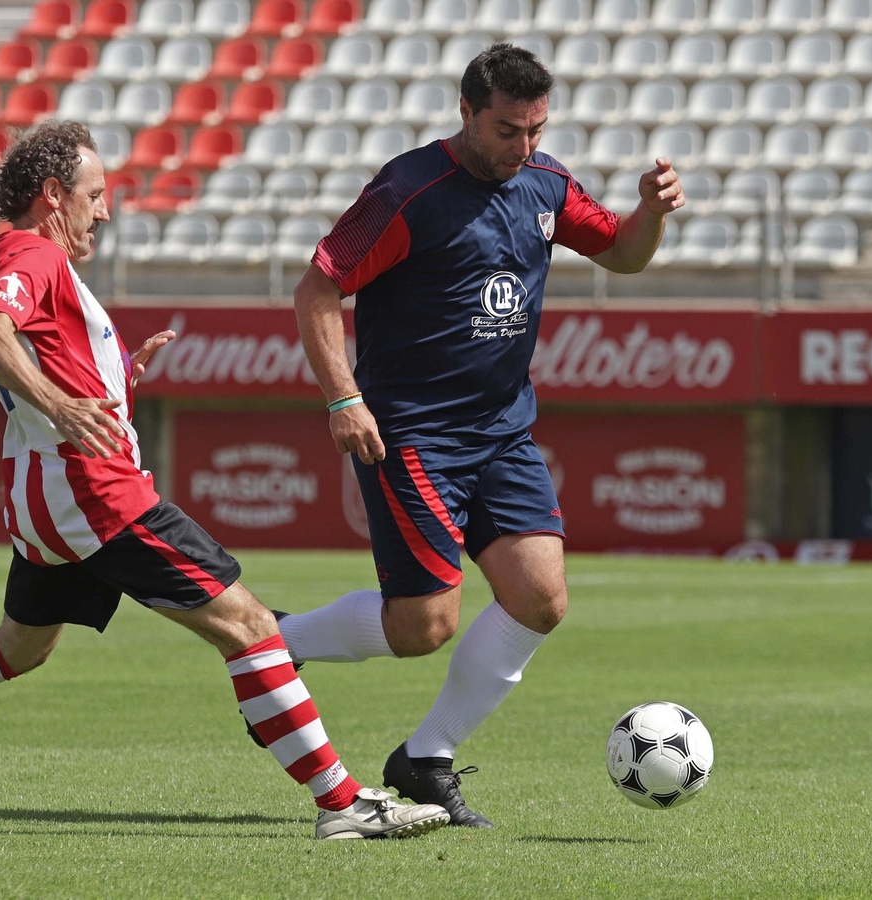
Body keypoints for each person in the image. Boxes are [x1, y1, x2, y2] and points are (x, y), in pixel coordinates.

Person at [0, 120, 450, 841]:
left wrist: (111, 380)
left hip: (47, 490)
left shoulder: (9, 256)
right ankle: (341, 803)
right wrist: (61, 402)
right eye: (95, 194)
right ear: (53, 194)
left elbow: (24, 355)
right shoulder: (31, 251)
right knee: (252, 628)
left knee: (22, 646)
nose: (104, 210)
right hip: (95, 492)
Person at [281, 42, 686, 827]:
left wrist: (653, 214)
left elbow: (623, 256)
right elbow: (317, 288)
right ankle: (273, 641)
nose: (523, 146)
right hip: (413, 435)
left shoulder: (545, 181)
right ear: (466, 113)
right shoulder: (408, 190)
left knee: (540, 600)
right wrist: (343, 398)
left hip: (503, 432)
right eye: (506, 129)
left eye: (535, 129)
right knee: (423, 627)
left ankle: (426, 757)